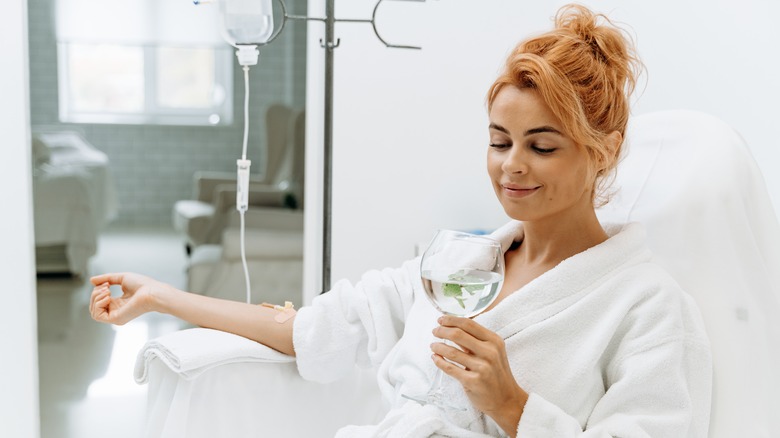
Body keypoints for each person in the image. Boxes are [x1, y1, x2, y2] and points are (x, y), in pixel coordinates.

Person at [89, 4, 712, 437]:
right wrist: (163, 296)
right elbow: (314, 328)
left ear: (601, 152)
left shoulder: (647, 308)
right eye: (499, 142)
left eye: (541, 146)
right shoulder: (461, 269)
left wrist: (513, 405)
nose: (511, 167)